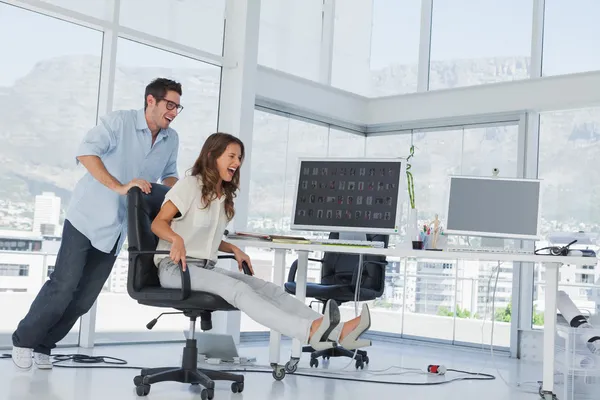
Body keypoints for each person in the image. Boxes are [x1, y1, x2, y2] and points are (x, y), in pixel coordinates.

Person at [11, 78, 184, 370]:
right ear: (151, 101)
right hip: (87, 217)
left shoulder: (171, 139)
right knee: (64, 286)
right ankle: (24, 340)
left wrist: (176, 196)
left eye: (179, 107)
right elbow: (86, 153)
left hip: (117, 229)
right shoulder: (120, 122)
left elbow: (169, 174)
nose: (174, 112)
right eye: (170, 105)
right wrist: (119, 187)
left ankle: (45, 345)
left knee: (84, 299)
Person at [151, 132, 372, 352]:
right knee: (238, 289)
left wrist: (233, 248)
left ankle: (337, 331)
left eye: (239, 158)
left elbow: (205, 237)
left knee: (269, 289)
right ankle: (310, 332)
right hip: (174, 269)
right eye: (232, 156)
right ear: (212, 155)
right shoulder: (190, 185)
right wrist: (175, 238)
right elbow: (158, 223)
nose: (237, 162)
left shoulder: (221, 196)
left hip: (202, 268)